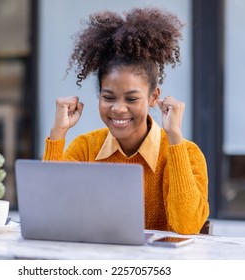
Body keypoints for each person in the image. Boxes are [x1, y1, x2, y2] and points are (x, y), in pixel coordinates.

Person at [42, 7, 209, 234]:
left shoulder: (187, 154)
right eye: (108, 97)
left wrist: (175, 139)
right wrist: (58, 134)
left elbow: (187, 226)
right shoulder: (85, 149)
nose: (119, 109)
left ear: (154, 97)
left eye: (131, 98)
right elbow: (50, 214)